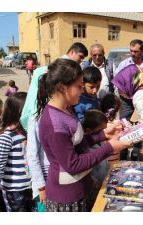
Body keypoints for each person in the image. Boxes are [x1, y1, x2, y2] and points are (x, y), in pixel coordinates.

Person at [36, 58, 130, 212]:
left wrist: (103, 134)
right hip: (67, 199)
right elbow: (73, 165)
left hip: (81, 187)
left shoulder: (66, 108)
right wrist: (110, 147)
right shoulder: (53, 124)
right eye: (79, 86)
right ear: (62, 87)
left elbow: (75, 143)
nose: (82, 91)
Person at [20, 42, 88, 131]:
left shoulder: (66, 70)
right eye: (80, 56)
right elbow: (33, 101)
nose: (81, 61)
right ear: (72, 52)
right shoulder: (51, 71)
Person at [0, 92, 35, 212]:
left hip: (31, 186)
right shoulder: (6, 137)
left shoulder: (28, 133)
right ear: (19, 112)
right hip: (13, 189)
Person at [82, 109, 109, 189]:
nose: (104, 133)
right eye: (101, 131)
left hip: (103, 182)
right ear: (88, 131)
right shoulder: (85, 149)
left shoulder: (100, 142)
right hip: (94, 186)